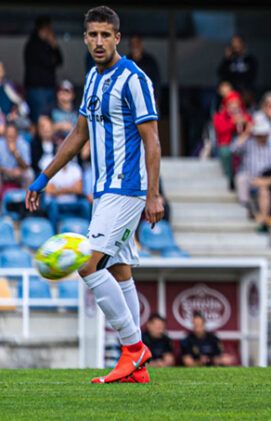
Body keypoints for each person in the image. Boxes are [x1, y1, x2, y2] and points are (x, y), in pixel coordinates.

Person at [25, 6, 163, 384]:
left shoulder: (134, 79)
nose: (99, 41)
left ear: (117, 38)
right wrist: (43, 177)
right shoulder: (91, 78)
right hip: (103, 191)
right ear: (85, 39)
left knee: (87, 263)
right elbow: (78, 135)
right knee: (119, 271)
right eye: (93, 35)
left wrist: (154, 194)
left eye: (106, 35)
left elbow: (152, 139)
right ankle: (138, 368)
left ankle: (134, 349)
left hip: (128, 187)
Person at [230, 114, 271, 212]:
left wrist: (266, 179)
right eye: (259, 134)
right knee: (241, 178)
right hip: (249, 176)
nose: (261, 137)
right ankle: (245, 206)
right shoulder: (249, 142)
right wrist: (246, 133)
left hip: (266, 177)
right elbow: (234, 149)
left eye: (264, 134)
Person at [24, 16, 63, 122]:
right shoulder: (33, 44)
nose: (51, 32)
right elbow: (48, 62)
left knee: (49, 120)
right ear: (43, 29)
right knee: (39, 120)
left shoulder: (48, 45)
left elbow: (59, 61)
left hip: (49, 87)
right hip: (37, 89)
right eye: (49, 29)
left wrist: (55, 46)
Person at [45, 159, 91, 230]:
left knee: (85, 204)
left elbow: (79, 189)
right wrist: (71, 188)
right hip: (57, 203)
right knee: (53, 205)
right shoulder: (51, 168)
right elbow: (49, 190)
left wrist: (58, 189)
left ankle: (89, 231)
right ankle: (53, 232)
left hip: (74, 203)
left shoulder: (75, 168)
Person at [217, 35, 258, 105]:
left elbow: (252, 76)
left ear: (243, 45)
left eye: (238, 44)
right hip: (231, 89)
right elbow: (221, 74)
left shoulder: (250, 60)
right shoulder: (229, 61)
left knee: (247, 94)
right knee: (224, 89)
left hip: (245, 88)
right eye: (234, 45)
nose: (236, 46)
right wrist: (227, 59)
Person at [0, 123, 31, 196]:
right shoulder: (0, 144)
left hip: (18, 173)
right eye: (8, 135)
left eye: (12, 135)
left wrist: (15, 153)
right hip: (3, 173)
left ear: (17, 135)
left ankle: (25, 202)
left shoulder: (23, 144)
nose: (10, 137)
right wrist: (7, 170)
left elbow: (26, 166)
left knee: (29, 174)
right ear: (5, 135)